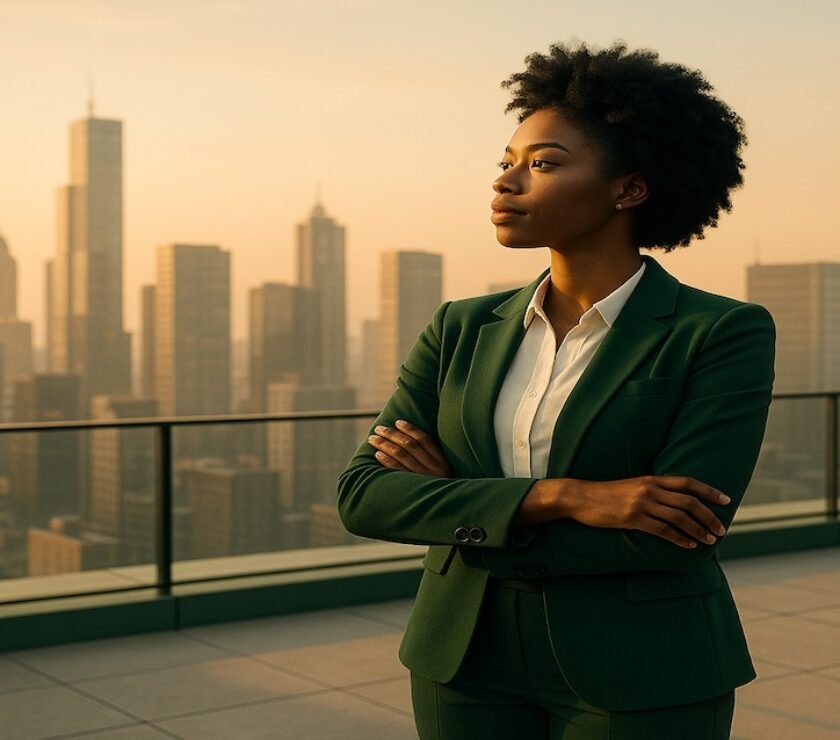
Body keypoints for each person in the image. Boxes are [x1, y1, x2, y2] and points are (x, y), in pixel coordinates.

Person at [337, 39, 775, 739]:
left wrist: (459, 509)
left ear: (629, 188)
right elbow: (364, 496)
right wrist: (568, 497)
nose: (505, 184)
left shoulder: (720, 332)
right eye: (506, 164)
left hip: (642, 665)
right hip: (463, 660)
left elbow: (673, 533)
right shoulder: (460, 328)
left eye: (542, 165)